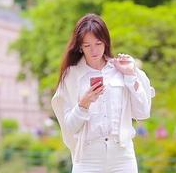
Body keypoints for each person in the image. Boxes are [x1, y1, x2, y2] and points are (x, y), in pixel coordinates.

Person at [51, 13, 155, 172]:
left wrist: (129, 75)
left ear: (106, 42)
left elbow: (142, 113)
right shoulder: (72, 76)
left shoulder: (120, 70)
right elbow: (69, 127)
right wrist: (83, 104)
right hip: (87, 159)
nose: (94, 50)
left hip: (122, 158)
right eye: (87, 45)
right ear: (80, 46)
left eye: (98, 43)